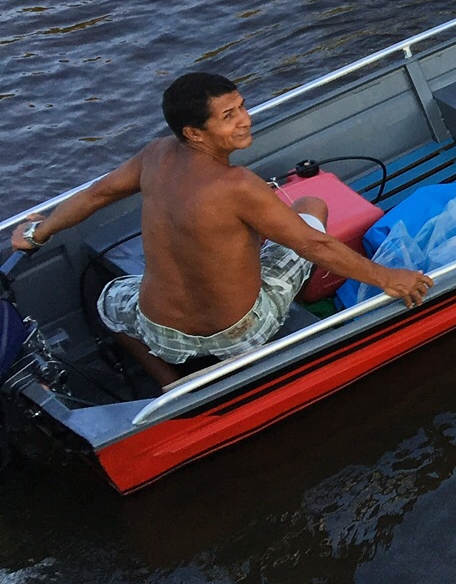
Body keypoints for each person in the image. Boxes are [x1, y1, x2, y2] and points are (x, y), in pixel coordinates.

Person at [9, 72, 432, 387]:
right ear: (194, 132)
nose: (245, 120)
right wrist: (387, 278)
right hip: (240, 334)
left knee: (109, 301)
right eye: (229, 116)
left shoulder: (155, 156)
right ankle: (253, 356)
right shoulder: (238, 186)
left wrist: (37, 234)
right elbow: (312, 243)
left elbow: (98, 194)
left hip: (161, 332)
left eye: (243, 106)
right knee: (311, 206)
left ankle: (169, 381)